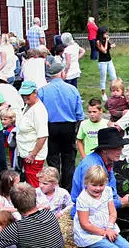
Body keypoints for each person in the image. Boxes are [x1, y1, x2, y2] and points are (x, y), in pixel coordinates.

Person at [74, 165, 129, 248]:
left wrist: (109, 227)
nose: (98, 188)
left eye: (101, 185)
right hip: (90, 235)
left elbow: (113, 212)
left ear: (106, 183)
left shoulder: (107, 191)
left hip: (108, 229)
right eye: (94, 185)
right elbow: (85, 224)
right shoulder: (83, 199)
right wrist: (104, 232)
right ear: (86, 182)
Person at [39, 58, 84, 191]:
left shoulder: (42, 91)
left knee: (53, 158)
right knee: (69, 158)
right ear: (62, 72)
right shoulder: (72, 89)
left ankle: (54, 187)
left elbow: (40, 112)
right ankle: (68, 187)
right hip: (68, 126)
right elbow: (79, 114)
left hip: (51, 126)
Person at [15, 80, 49, 187]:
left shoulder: (39, 111)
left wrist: (32, 155)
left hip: (33, 157)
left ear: (35, 93)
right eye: (23, 94)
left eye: (28, 94)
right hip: (26, 153)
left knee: (34, 186)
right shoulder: (28, 105)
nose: (25, 97)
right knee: (29, 182)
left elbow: (42, 136)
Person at [95, 27, 117, 98]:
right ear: (101, 33)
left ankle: (115, 92)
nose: (107, 34)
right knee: (103, 78)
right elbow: (104, 50)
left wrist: (111, 45)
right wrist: (107, 41)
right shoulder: (98, 41)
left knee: (114, 77)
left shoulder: (105, 40)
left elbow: (108, 47)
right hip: (102, 62)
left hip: (109, 60)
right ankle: (103, 94)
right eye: (105, 33)